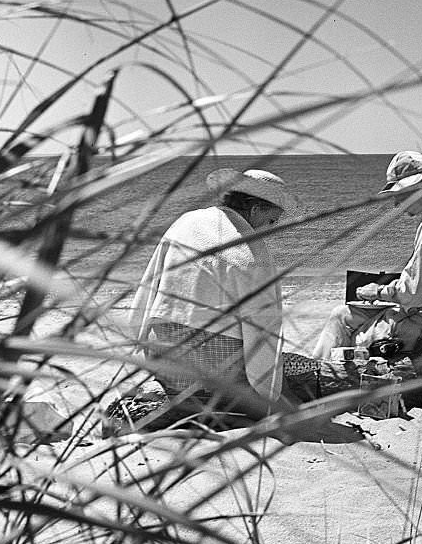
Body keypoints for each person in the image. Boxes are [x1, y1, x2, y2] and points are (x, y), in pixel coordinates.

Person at [126, 166, 316, 417]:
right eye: (271, 221)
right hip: (214, 380)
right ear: (256, 209)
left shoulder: (186, 222)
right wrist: (270, 393)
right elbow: (263, 331)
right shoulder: (250, 253)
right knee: (295, 369)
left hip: (164, 364)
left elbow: (149, 285)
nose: (270, 229)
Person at [313, 151, 422, 372]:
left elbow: (413, 295)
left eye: (399, 195)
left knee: (342, 323)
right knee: (344, 314)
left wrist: (378, 292)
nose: (396, 203)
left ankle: (317, 378)